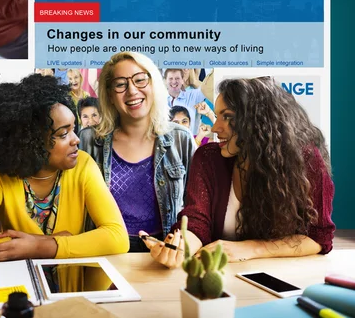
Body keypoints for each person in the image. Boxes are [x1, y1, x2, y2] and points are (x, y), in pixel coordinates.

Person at [144, 77, 335, 267]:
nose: (215, 127)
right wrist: (180, 247)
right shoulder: (208, 158)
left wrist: (251, 248)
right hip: (219, 276)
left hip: (282, 276)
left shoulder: (306, 159)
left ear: (259, 121)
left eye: (227, 117)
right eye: (217, 116)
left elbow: (318, 238)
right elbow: (196, 222)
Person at [0, 74, 129, 262]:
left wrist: (40, 246)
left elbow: (117, 238)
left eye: (74, 128)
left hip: (73, 288)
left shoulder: (83, 165)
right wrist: (48, 242)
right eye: (63, 134)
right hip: (20, 285)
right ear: (30, 141)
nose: (76, 139)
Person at [79, 52, 195, 252]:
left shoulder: (181, 139)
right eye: (120, 84)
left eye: (140, 80)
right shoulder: (89, 140)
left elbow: (195, 209)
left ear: (154, 85)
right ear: (110, 95)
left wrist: (183, 246)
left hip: (164, 253)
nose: (132, 91)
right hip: (105, 251)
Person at [165, 68, 208, 135]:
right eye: (170, 78)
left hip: (190, 142)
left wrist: (194, 81)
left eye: (177, 78)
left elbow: (209, 88)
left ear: (182, 80)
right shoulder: (159, 98)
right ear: (165, 80)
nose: (174, 82)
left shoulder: (193, 95)